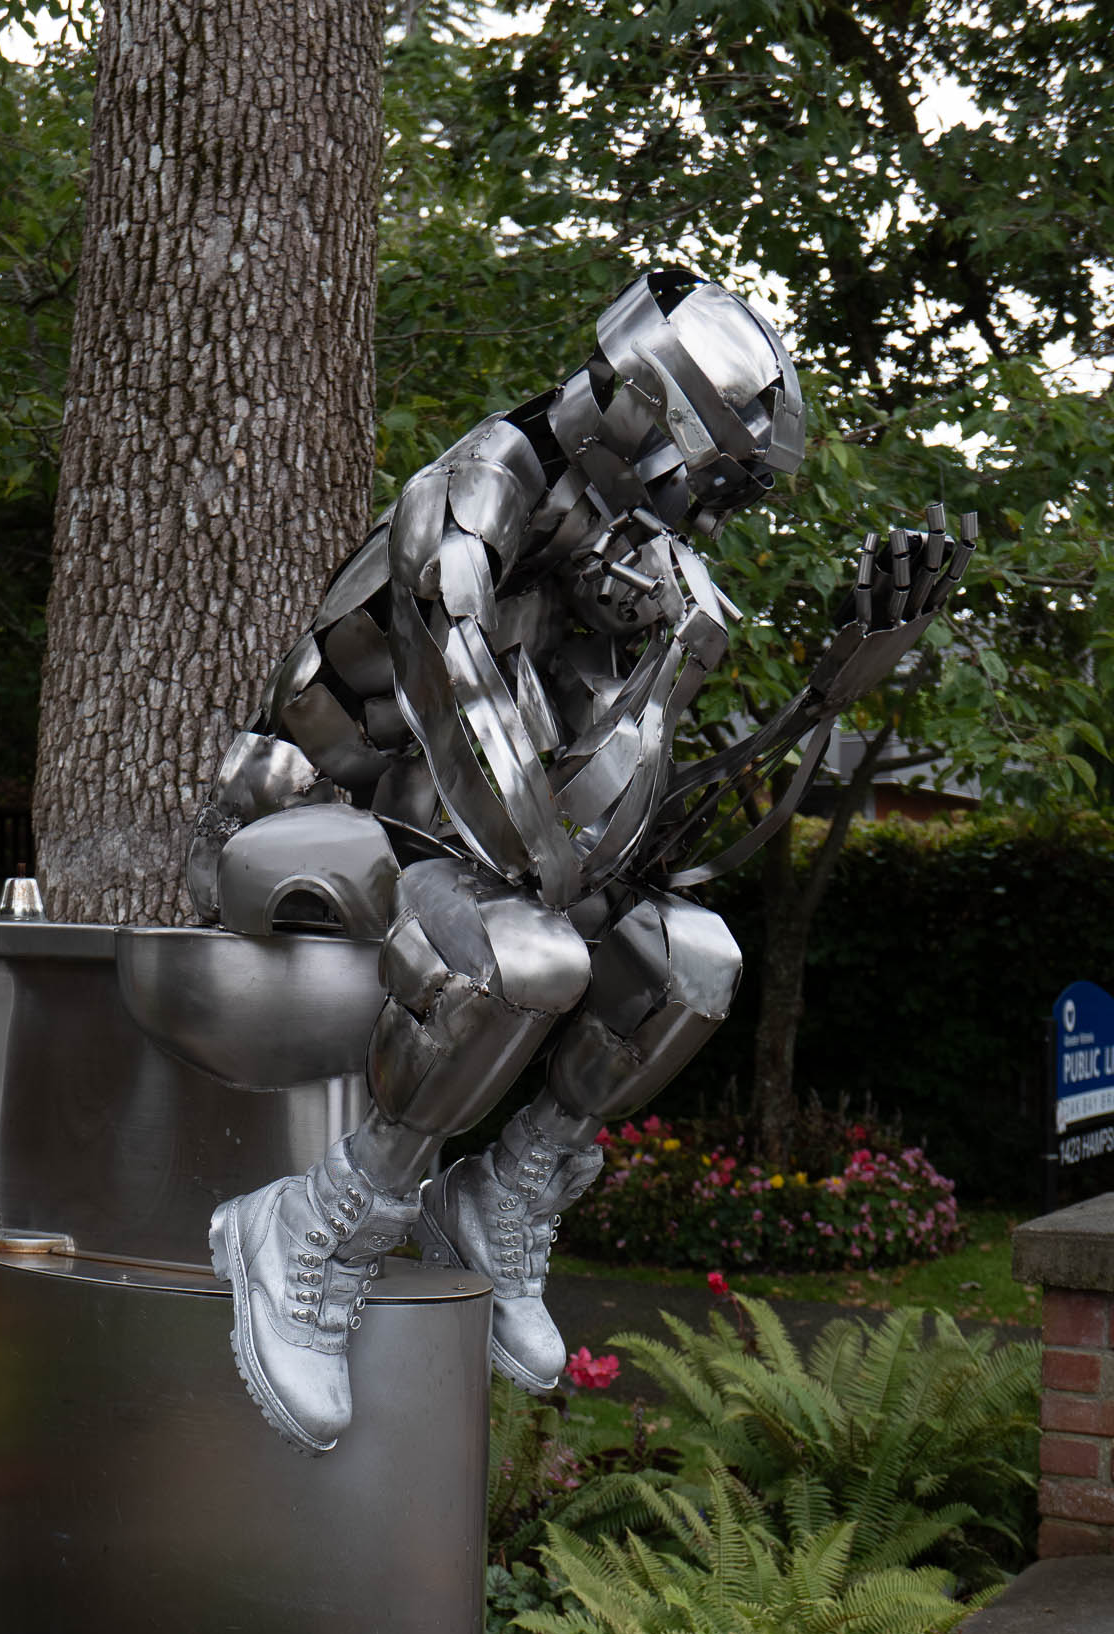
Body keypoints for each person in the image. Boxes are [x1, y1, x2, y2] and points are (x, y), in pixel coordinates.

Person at [188, 268, 975, 1456]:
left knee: (691, 960)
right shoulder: (470, 497)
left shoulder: (614, 566)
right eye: (707, 483)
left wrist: (804, 695)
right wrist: (568, 879)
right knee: (532, 954)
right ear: (642, 416)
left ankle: (496, 1196)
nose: (701, 521)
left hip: (441, 846)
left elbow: (636, 833)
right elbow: (465, 722)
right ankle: (318, 1218)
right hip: (303, 823)